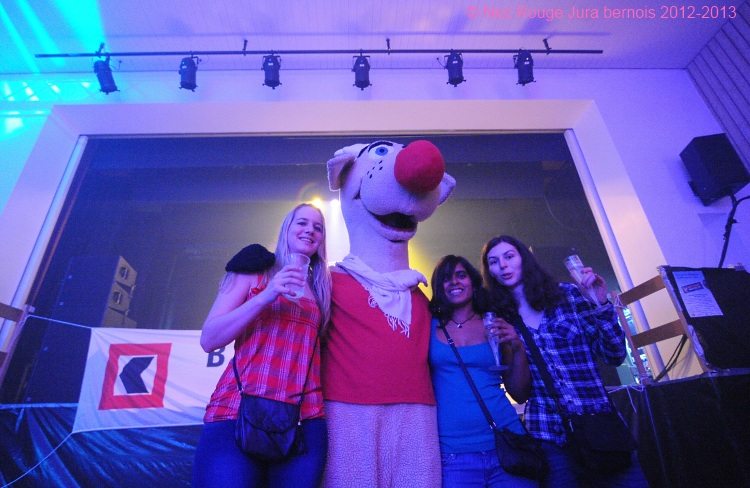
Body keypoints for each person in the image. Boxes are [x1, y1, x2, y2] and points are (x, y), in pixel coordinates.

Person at [480, 235, 648, 488]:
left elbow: (614, 354)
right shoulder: (501, 319)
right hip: (548, 434)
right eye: (494, 262)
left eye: (509, 256)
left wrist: (600, 302)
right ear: (490, 271)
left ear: (524, 258)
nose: (503, 265)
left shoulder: (566, 296)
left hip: (598, 426)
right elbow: (519, 392)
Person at [192, 203, 332, 488]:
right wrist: (267, 295)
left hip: (304, 417)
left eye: (318, 227)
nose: (310, 230)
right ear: (286, 229)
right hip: (237, 408)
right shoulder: (255, 269)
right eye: (302, 223)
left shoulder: (323, 287)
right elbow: (209, 339)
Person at [428, 255, 538, 488]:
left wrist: (518, 347)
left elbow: (519, 394)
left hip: (507, 444)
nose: (454, 282)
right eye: (446, 278)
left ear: (473, 281)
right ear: (439, 286)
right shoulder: (428, 326)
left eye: (461, 275)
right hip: (453, 454)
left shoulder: (493, 324)